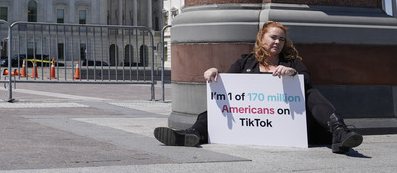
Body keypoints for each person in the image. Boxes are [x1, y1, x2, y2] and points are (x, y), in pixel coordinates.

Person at [154, 21, 363, 154]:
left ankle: (339, 132)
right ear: (261, 38)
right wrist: (214, 72)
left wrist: (292, 74)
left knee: (312, 94)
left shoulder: (292, 62)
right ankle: (190, 135)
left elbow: (306, 81)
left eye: (282, 39)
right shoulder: (245, 62)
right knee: (211, 114)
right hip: (250, 121)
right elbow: (229, 86)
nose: (278, 42)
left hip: (291, 123)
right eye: (273, 37)